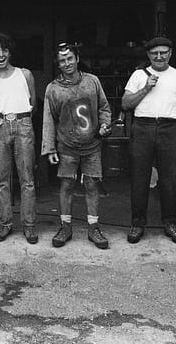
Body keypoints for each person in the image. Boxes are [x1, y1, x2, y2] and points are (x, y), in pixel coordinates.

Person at [121, 36, 176, 245]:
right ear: (148, 55)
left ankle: (171, 223)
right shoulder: (137, 75)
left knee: (171, 179)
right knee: (139, 178)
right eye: (155, 53)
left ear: (170, 53)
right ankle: (137, 224)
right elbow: (126, 103)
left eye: (163, 52)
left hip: (171, 128)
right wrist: (145, 88)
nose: (159, 56)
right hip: (142, 126)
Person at [41, 43, 112, 249]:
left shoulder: (92, 81)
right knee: (66, 185)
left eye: (70, 58)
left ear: (77, 58)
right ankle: (65, 226)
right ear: (58, 63)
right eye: (62, 60)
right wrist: (50, 148)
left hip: (92, 145)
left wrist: (105, 124)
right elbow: (48, 119)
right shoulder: (53, 89)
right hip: (67, 146)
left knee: (91, 184)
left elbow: (104, 108)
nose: (67, 63)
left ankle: (94, 227)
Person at [0, 32, 38, 244]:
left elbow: (34, 104)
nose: (1, 54)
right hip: (0, 128)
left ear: (10, 52)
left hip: (23, 125)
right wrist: (0, 124)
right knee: (1, 180)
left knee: (27, 179)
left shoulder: (25, 74)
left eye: (4, 50)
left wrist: (20, 121)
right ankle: (5, 223)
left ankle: (29, 225)